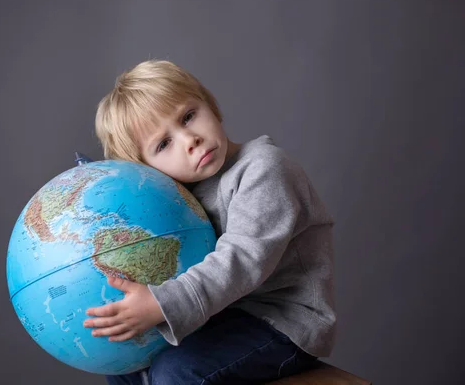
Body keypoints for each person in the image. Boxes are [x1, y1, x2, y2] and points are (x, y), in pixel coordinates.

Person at [84, 60, 335, 384]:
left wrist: (162, 304)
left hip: (284, 322)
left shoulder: (264, 170)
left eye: (188, 116)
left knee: (175, 372)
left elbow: (242, 261)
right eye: (164, 144)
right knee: (126, 365)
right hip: (222, 316)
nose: (190, 139)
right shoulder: (179, 194)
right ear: (146, 168)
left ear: (210, 105)